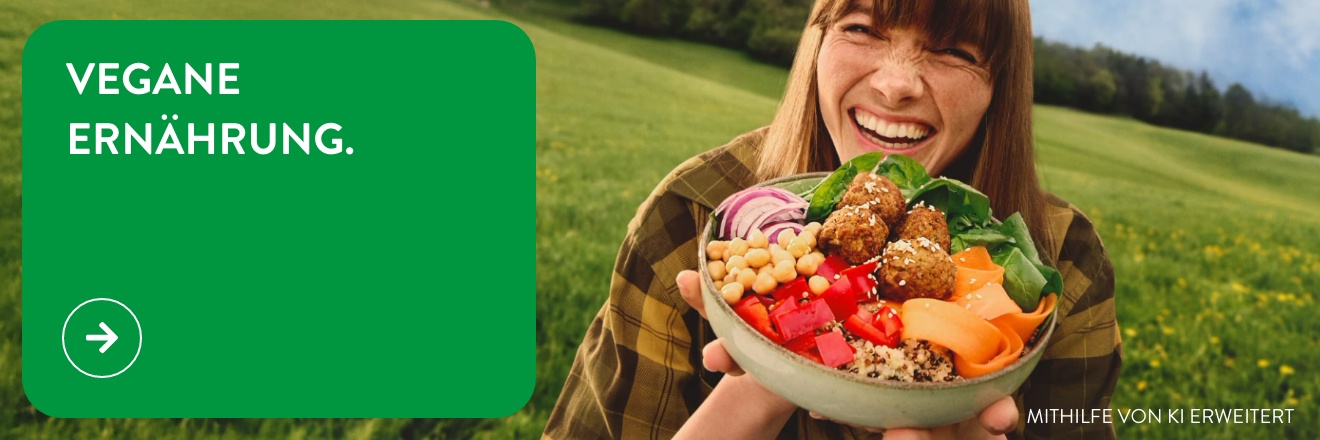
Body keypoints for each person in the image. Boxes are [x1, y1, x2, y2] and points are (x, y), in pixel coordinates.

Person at [544, 0, 1121, 438]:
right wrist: (753, 399)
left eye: (953, 51)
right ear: (817, 41)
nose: (896, 85)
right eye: (862, 28)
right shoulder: (692, 214)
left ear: (1000, 85)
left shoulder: (1065, 260)